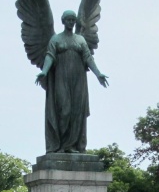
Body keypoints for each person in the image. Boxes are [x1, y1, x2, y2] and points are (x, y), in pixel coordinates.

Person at [36, 10, 109, 153]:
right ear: (63, 21)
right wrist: (44, 71)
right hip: (61, 78)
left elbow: (88, 58)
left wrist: (98, 73)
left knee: (77, 112)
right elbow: (50, 56)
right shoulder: (56, 39)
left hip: (79, 79)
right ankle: (61, 145)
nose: (71, 22)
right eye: (68, 20)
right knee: (64, 110)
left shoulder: (80, 40)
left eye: (73, 20)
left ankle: (73, 146)